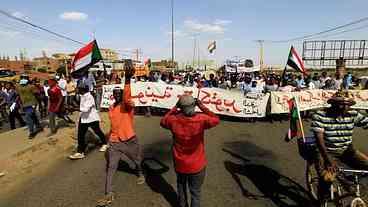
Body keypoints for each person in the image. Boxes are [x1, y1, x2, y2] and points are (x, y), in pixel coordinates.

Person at [97, 60, 145, 207]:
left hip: (129, 139)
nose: (118, 96)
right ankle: (108, 194)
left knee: (136, 160)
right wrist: (107, 139)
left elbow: (126, 96)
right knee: (111, 167)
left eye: (120, 94)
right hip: (114, 141)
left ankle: (140, 172)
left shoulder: (127, 105)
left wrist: (128, 79)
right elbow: (113, 124)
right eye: (115, 94)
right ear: (113, 96)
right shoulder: (111, 108)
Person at [160, 95, 220, 207]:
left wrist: (174, 108)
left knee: (181, 188)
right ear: (194, 106)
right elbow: (216, 119)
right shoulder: (201, 120)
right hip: (198, 165)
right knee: (195, 192)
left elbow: (163, 121)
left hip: (180, 163)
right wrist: (202, 106)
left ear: (180, 107)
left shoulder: (173, 120)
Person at [311, 90, 368, 199]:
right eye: (339, 104)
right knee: (327, 178)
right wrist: (328, 160)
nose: (343, 107)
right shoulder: (320, 115)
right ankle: (321, 197)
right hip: (326, 152)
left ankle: (347, 181)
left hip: (347, 150)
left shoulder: (353, 114)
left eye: (346, 105)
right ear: (332, 103)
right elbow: (319, 140)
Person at [69, 83, 108, 160]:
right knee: (80, 135)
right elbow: (80, 106)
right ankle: (80, 152)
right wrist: (73, 106)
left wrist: (74, 109)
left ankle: (105, 143)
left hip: (91, 118)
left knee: (97, 131)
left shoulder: (89, 97)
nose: (77, 89)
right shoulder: (82, 96)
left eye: (78, 88)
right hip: (83, 118)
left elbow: (86, 109)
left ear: (82, 89)